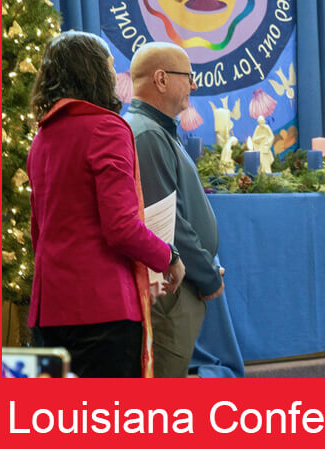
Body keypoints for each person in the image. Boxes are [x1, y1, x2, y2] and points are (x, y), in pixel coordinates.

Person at [26, 32, 185, 378]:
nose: (116, 75)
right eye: (111, 65)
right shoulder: (106, 129)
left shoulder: (42, 137)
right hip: (104, 312)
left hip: (49, 309)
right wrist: (168, 257)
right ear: (94, 71)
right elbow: (121, 227)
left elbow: (38, 232)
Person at [125, 42, 225, 378]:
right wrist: (207, 275)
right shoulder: (148, 134)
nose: (195, 85)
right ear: (161, 79)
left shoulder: (157, 129)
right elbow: (167, 226)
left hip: (180, 281)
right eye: (189, 77)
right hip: (172, 289)